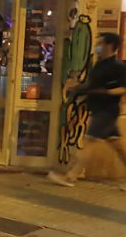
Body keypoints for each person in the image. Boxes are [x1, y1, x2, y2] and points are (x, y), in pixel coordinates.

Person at [48, 33, 126, 187]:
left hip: (107, 111)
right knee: (118, 146)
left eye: (101, 43)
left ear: (110, 46)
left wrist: (106, 92)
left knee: (89, 142)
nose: (98, 46)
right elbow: (91, 86)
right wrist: (77, 87)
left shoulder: (118, 67)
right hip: (97, 109)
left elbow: (123, 88)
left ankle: (71, 176)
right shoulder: (99, 65)